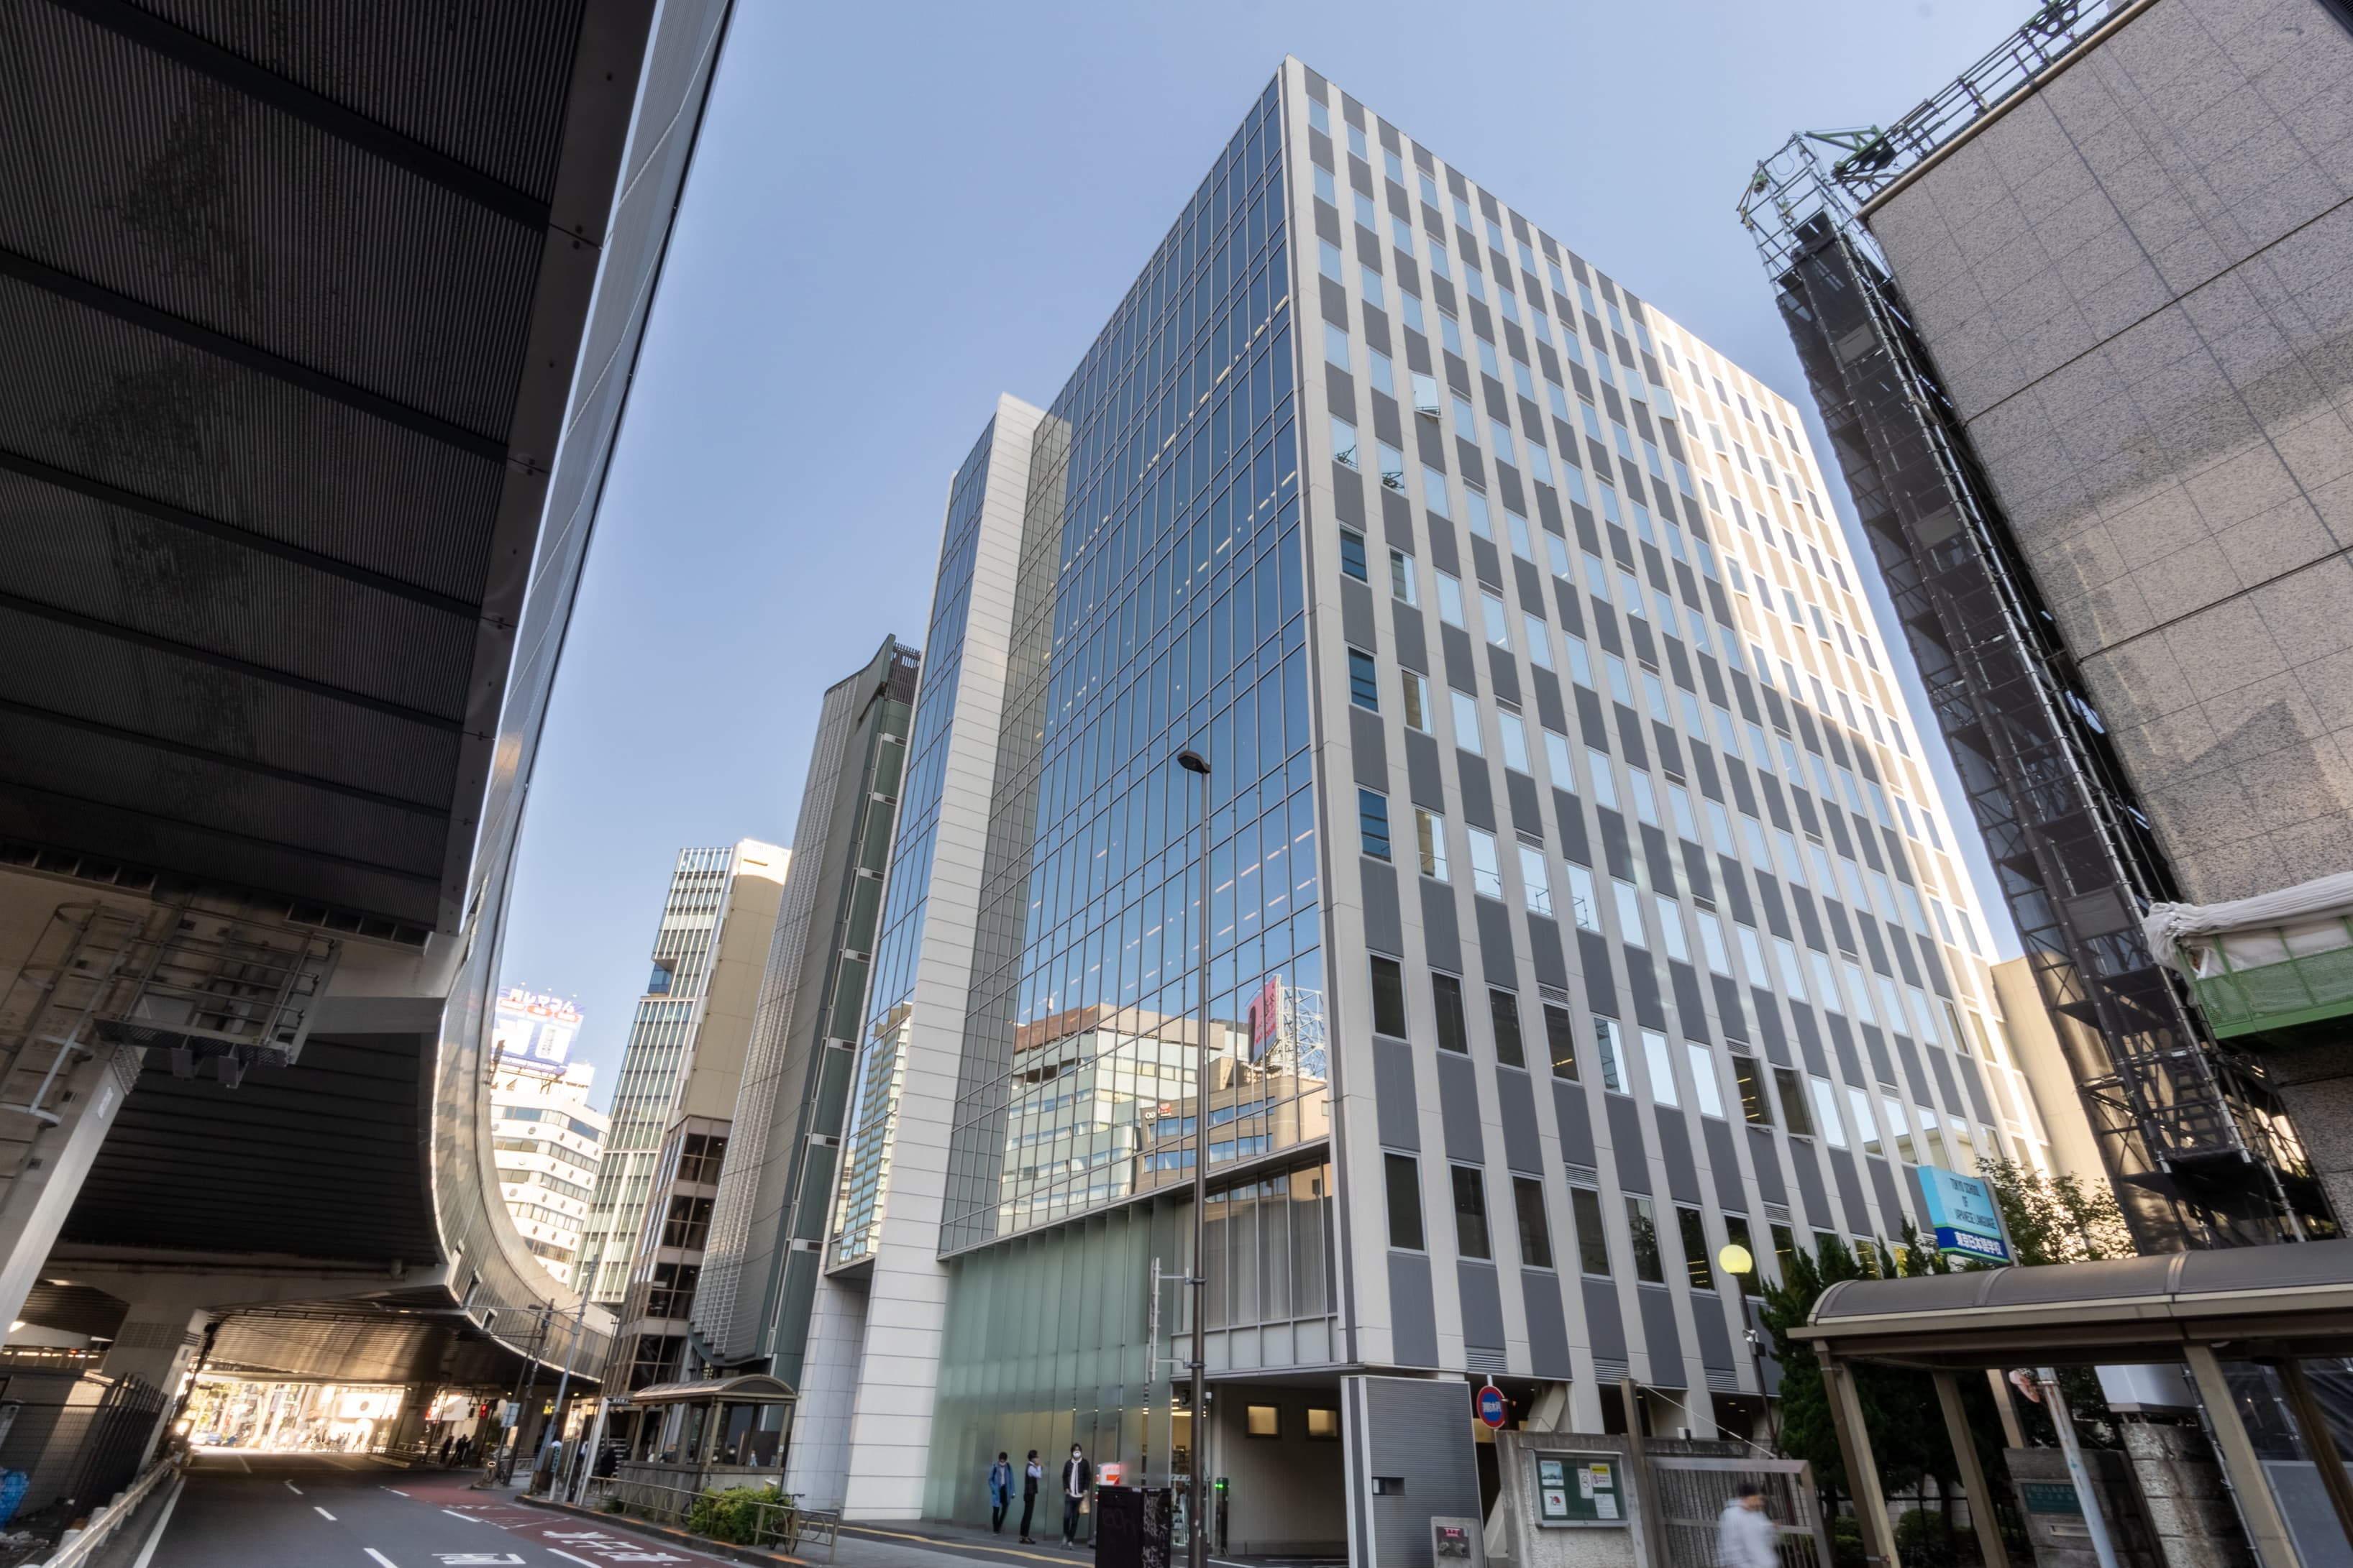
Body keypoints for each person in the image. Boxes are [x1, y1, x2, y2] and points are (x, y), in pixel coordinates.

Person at [1717, 1484, 1778, 1568]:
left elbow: (1769, 1542)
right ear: (1747, 1498)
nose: (1760, 1502)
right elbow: (1730, 1546)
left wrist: (1770, 1529)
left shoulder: (1759, 1514)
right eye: (1757, 1498)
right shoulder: (1731, 1515)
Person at [1061, 1443, 1095, 1547]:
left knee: (1075, 1519)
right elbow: (1064, 1477)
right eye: (1075, 1450)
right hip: (1069, 1495)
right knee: (1067, 1517)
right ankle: (1066, 1535)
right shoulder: (1068, 1463)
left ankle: (1071, 1540)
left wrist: (1085, 1489)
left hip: (1079, 1496)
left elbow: (1088, 1477)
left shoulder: (1085, 1463)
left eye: (1079, 1450)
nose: (1077, 1452)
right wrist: (1066, 1488)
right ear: (1072, 1452)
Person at [1020, 1449, 1043, 1544]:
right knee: (1028, 1516)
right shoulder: (1031, 1468)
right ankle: (1024, 1537)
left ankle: (1023, 1536)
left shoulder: (1031, 1466)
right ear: (1033, 1458)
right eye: (1036, 1457)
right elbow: (1039, 1476)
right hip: (1030, 1494)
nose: (1038, 1458)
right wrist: (1039, 1467)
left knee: (1026, 1515)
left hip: (1029, 1494)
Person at [990, 1452, 1015, 1534]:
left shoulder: (1009, 1467)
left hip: (1005, 1490)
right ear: (999, 1459)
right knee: (996, 1510)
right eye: (1001, 1461)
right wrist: (993, 1489)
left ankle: (999, 1526)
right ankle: (995, 1530)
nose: (1002, 1462)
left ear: (1006, 1460)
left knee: (1004, 1510)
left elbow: (1011, 1480)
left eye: (1003, 1461)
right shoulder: (995, 1466)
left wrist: (1013, 1492)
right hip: (997, 1491)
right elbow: (990, 1479)